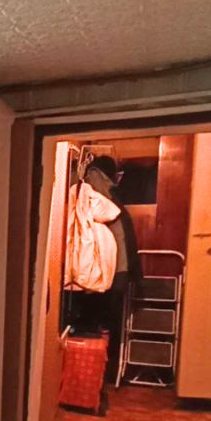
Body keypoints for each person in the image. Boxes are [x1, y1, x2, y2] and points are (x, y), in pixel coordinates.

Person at [78, 154, 141, 375]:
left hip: (112, 264)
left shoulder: (98, 185)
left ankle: (104, 371)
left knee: (102, 314)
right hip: (116, 264)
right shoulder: (100, 183)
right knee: (108, 315)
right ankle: (106, 370)